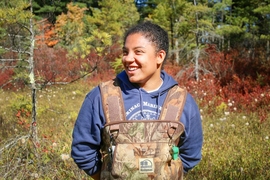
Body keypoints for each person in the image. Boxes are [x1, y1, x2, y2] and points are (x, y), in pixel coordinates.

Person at [71, 21, 203, 179]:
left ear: (159, 56)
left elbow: (191, 154)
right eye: (125, 52)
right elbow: (82, 151)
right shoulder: (101, 97)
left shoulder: (182, 101)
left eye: (138, 52)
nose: (128, 59)